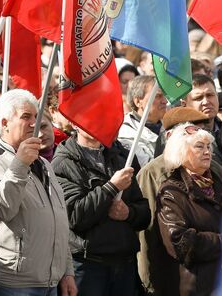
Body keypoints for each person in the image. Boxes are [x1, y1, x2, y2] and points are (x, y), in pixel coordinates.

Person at [0, 89, 76, 296]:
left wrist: (66, 271)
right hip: (16, 283)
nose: (34, 123)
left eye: (36, 117)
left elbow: (58, 220)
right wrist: (20, 164)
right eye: (26, 117)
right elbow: (2, 209)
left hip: (50, 282)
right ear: (4, 124)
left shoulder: (44, 164)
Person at [51, 127, 149, 296]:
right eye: (89, 116)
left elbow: (145, 213)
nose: (95, 122)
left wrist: (129, 213)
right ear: (75, 124)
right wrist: (111, 188)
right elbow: (75, 216)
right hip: (89, 267)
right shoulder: (62, 163)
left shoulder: (122, 157)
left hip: (125, 265)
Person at [136, 106, 213, 295]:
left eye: (205, 139)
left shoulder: (214, 170)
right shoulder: (153, 173)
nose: (205, 148)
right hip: (175, 277)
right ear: (174, 137)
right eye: (196, 140)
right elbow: (148, 232)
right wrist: (148, 280)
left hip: (213, 274)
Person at [156, 123, 222, 296]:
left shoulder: (217, 182)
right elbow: (180, 243)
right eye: (199, 146)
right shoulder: (171, 191)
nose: (207, 152)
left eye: (209, 146)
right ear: (180, 151)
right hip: (197, 286)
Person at [181, 74, 222, 189]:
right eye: (198, 98)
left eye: (210, 95)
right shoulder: (176, 140)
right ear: (184, 104)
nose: (206, 101)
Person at [117, 75, 167, 168]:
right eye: (158, 96)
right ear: (138, 102)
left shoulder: (171, 126)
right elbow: (149, 169)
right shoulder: (126, 132)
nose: (165, 101)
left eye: (165, 96)